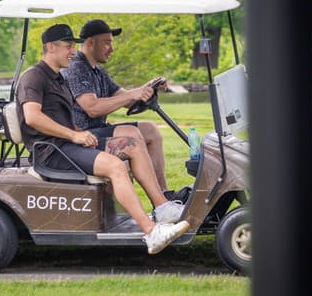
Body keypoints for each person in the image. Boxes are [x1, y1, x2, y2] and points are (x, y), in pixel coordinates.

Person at [15, 23, 189, 254]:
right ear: (50, 47)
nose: (72, 52)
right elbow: (32, 117)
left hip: (66, 145)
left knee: (132, 143)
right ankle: (152, 232)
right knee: (116, 166)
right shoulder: (34, 77)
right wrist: (74, 135)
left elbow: (63, 117)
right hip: (51, 152)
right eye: (68, 46)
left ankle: (160, 209)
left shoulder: (58, 79)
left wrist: (80, 134)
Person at [61, 19, 179, 204]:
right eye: (107, 42)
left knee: (151, 130)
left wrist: (148, 88)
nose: (112, 49)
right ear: (91, 42)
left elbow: (124, 97)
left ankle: (165, 195)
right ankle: (160, 204)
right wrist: (134, 93)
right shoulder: (77, 68)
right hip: (82, 136)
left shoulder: (97, 71)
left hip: (97, 130)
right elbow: (91, 108)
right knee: (131, 133)